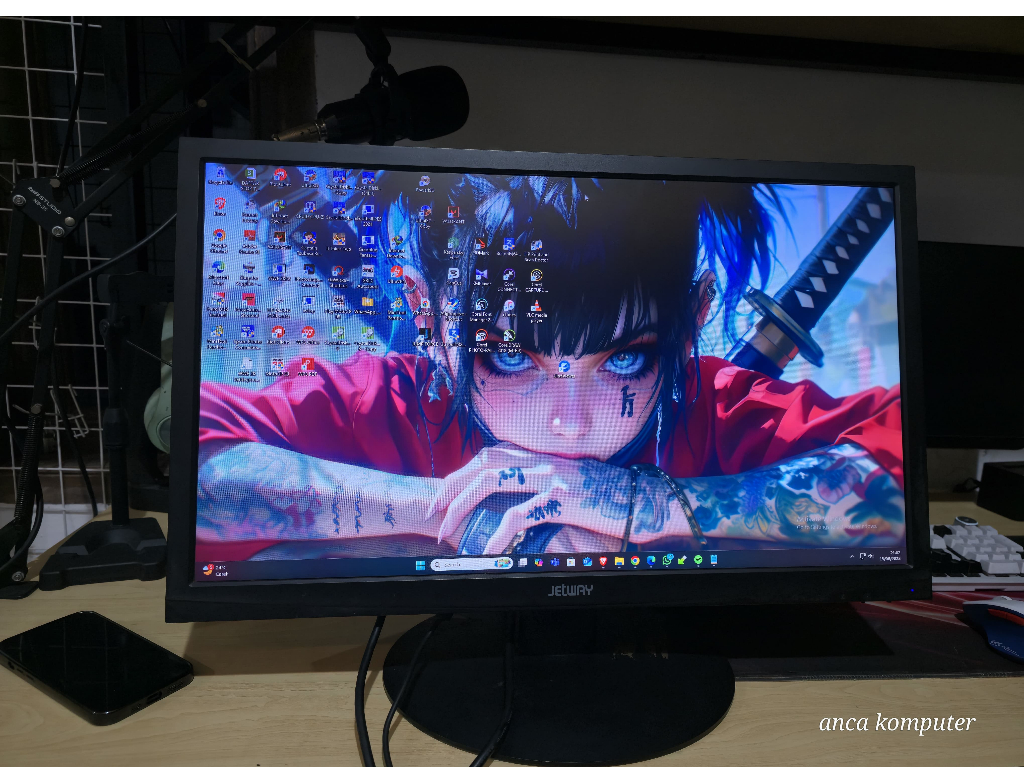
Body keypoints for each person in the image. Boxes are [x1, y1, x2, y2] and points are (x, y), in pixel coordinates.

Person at [197, 175, 904, 564]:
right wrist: (440, 512)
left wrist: (658, 509)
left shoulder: (715, 409)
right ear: (425, 315)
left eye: (626, 358)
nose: (569, 423)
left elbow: (904, 471)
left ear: (693, 318)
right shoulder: (386, 404)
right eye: (509, 357)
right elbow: (195, 464)